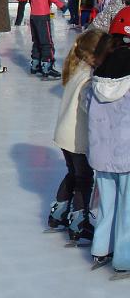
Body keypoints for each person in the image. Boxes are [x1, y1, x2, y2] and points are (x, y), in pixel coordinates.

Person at [48, 29, 109, 242]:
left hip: (65, 136)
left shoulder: (76, 69)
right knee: (84, 179)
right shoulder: (89, 78)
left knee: (73, 175)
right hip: (78, 138)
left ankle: (58, 213)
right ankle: (78, 222)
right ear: (95, 54)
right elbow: (89, 107)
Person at [87, 7, 130, 277]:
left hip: (101, 151)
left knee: (106, 203)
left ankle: (101, 247)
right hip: (126, 153)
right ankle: (124, 258)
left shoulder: (99, 66)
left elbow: (86, 107)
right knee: (128, 208)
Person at [17, 0, 67, 79]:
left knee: (37, 41)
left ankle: (35, 64)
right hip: (43, 16)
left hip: (33, 16)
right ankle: (47, 66)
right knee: (46, 42)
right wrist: (63, 6)